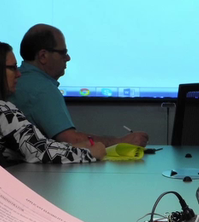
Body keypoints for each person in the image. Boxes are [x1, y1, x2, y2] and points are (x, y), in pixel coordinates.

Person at [0, 40, 106, 164]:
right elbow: (39, 151)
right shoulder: (3, 111)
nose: (19, 74)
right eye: (13, 68)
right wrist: (91, 153)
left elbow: (35, 145)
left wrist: (76, 147)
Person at [8, 24, 149, 147]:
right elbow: (70, 140)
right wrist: (120, 142)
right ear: (43, 56)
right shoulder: (41, 89)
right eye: (63, 53)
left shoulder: (22, 80)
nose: (68, 58)